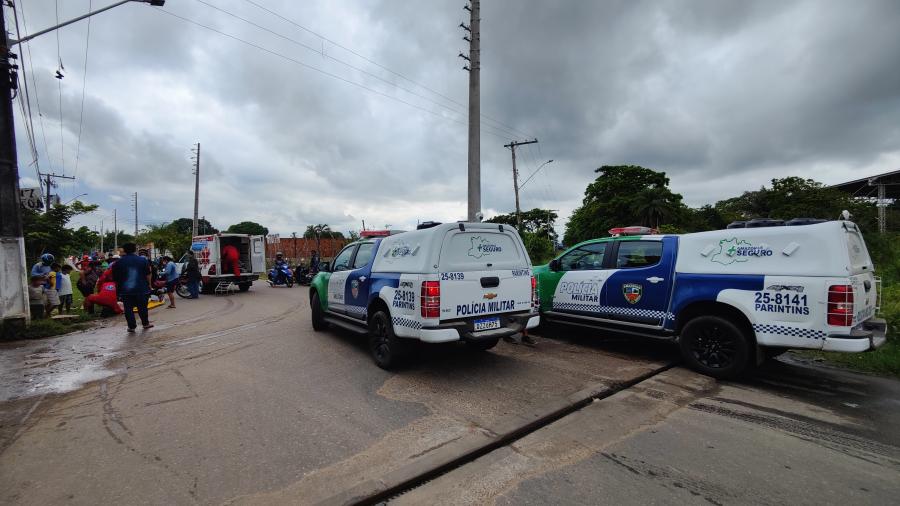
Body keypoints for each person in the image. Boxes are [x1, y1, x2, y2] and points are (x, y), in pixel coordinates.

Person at [112, 242, 152, 332]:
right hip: (142, 288)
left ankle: (131, 326)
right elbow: (148, 274)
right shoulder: (143, 260)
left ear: (124, 250)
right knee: (143, 308)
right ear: (135, 250)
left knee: (128, 309)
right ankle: (145, 324)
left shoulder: (118, 263)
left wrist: (119, 289)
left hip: (126, 290)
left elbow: (115, 278)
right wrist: (149, 285)